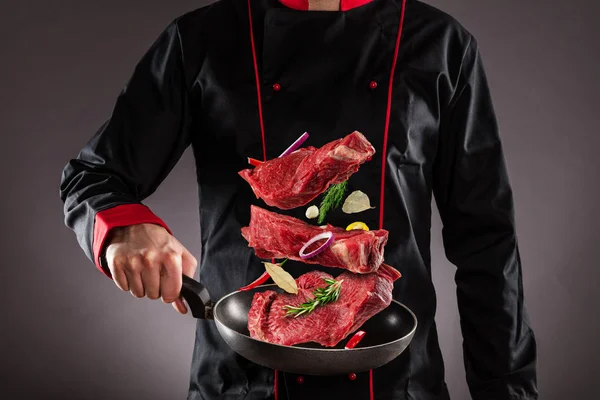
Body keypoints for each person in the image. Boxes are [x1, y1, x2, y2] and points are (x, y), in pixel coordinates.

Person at [59, 0, 538, 398]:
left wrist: (509, 391)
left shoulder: (441, 45)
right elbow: (94, 175)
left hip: (397, 384)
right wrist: (124, 227)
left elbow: (487, 244)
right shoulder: (202, 38)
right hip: (241, 383)